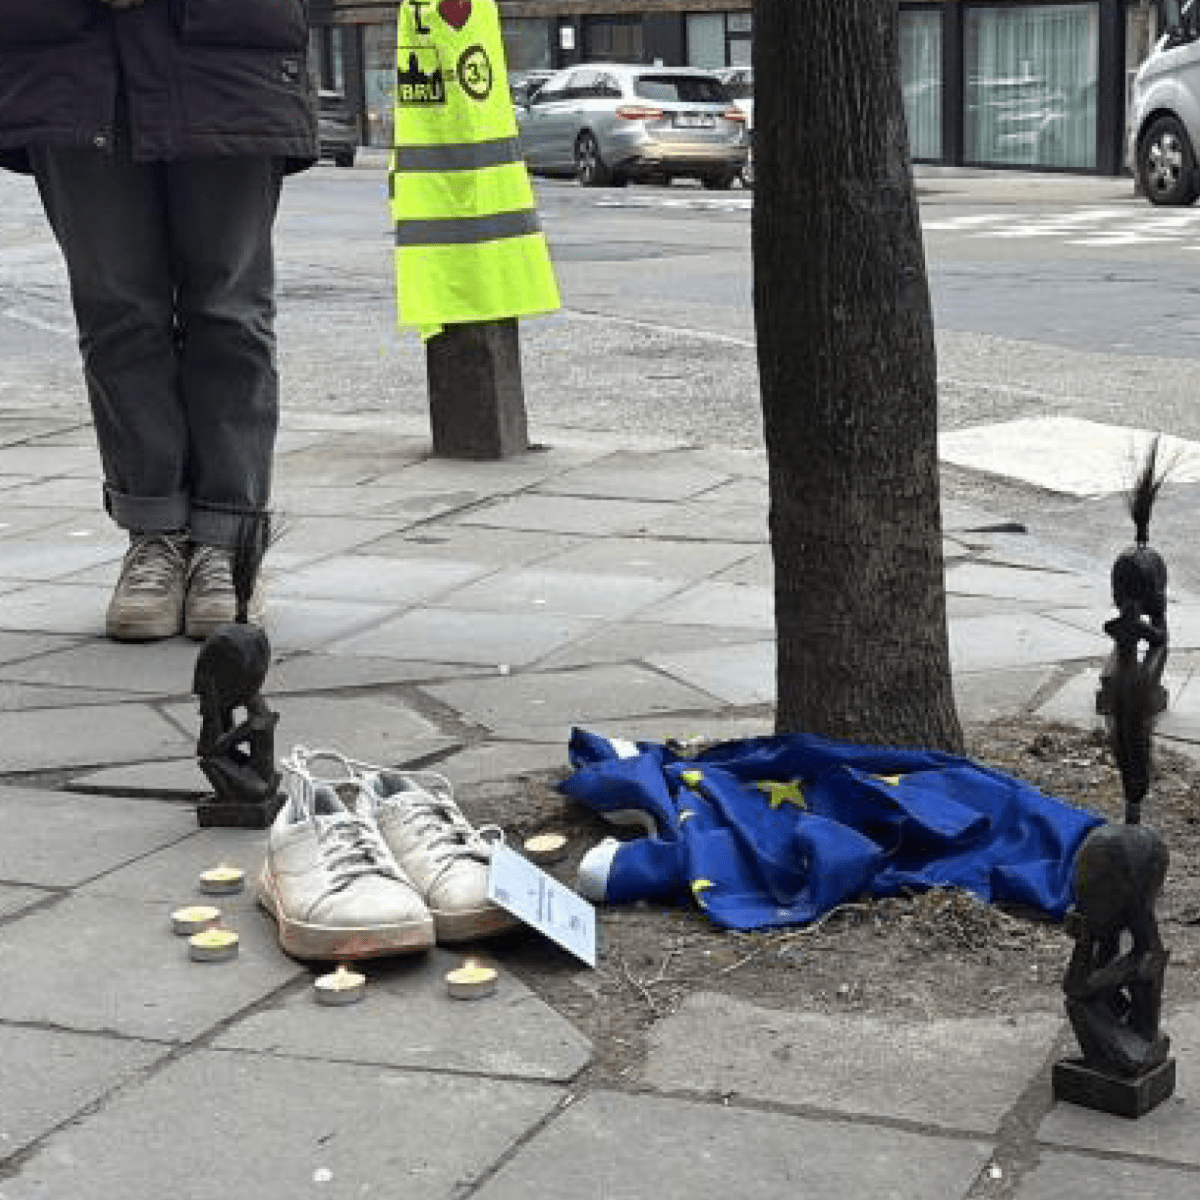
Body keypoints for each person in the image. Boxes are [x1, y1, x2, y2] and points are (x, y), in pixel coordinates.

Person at [0, 0, 316, 640]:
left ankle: (226, 543)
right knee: (117, 313)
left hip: (225, 56)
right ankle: (156, 536)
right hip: (76, 60)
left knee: (228, 311)